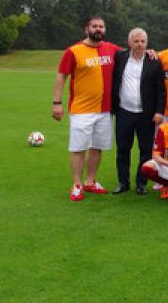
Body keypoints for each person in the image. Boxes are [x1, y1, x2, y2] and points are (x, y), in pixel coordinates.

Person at [52, 15, 121, 201]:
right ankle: (76, 184)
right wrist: (56, 103)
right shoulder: (73, 51)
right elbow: (61, 77)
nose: (98, 29)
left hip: (104, 110)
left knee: (97, 147)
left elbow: (134, 51)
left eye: (101, 26)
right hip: (81, 110)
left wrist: (150, 51)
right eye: (94, 26)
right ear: (87, 29)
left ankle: (90, 181)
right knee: (78, 147)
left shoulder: (112, 49)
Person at [111, 28, 166, 195]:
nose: (140, 44)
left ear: (147, 43)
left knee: (146, 150)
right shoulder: (120, 58)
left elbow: (161, 90)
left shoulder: (154, 61)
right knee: (123, 149)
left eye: (143, 41)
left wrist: (159, 112)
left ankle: (141, 183)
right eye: (136, 41)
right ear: (129, 43)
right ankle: (123, 183)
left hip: (146, 114)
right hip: (124, 112)